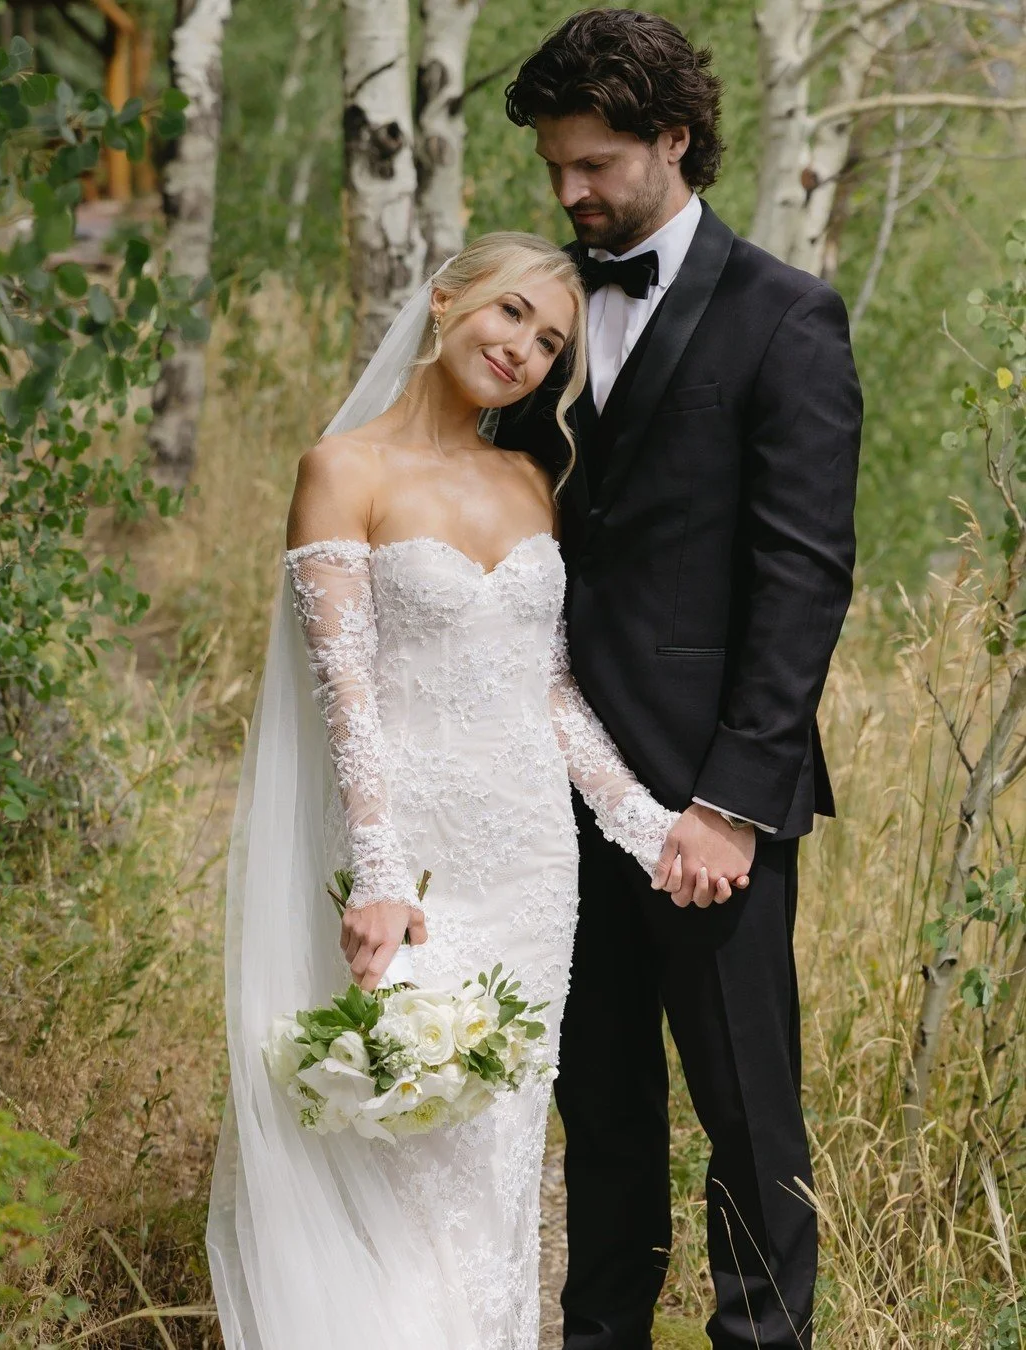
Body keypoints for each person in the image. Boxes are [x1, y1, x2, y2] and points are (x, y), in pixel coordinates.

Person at [206, 231, 732, 1350]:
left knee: (497, 1164)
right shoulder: (344, 469)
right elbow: (345, 697)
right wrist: (382, 876)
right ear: (445, 303)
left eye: (550, 343)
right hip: (418, 867)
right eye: (509, 318)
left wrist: (647, 828)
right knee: (406, 1155)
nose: (525, 352)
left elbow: (550, 697)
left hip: (534, 868)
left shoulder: (531, 480)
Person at [496, 11, 863, 1350]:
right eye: (555, 168)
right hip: (546, 784)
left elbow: (805, 574)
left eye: (594, 163)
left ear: (673, 138)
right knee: (596, 1104)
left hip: (704, 796)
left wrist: (730, 800)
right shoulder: (537, 303)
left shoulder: (785, 316)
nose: (571, 192)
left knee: (748, 1111)